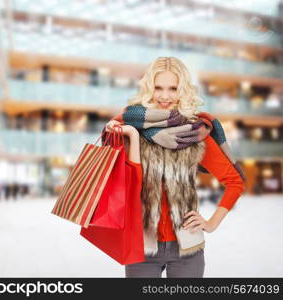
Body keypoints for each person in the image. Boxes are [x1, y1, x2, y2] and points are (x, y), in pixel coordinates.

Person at [104, 57, 245, 278]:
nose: (165, 96)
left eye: (173, 88)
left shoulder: (195, 133)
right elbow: (128, 181)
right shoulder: (131, 128)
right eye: (158, 87)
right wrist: (130, 134)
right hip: (141, 246)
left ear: (183, 90)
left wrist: (211, 223)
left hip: (187, 250)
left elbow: (235, 182)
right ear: (149, 88)